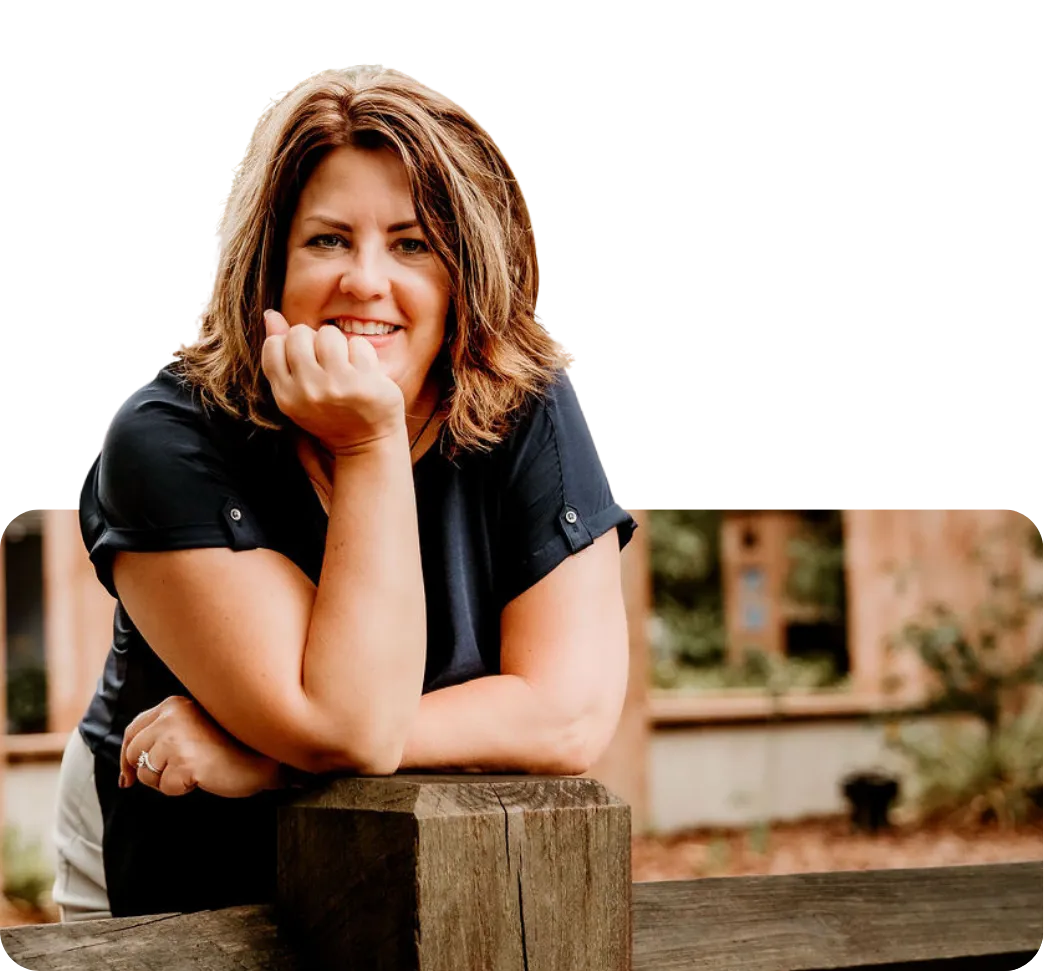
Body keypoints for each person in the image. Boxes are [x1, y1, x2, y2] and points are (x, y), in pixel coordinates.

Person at [52, 64, 636, 922]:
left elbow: (568, 717)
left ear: (466, 271)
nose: (365, 281)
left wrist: (271, 756)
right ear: (269, 266)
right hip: (173, 872)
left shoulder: (527, 405)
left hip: (421, 881)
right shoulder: (164, 437)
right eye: (328, 240)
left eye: (412, 244)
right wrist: (369, 441)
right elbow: (349, 725)